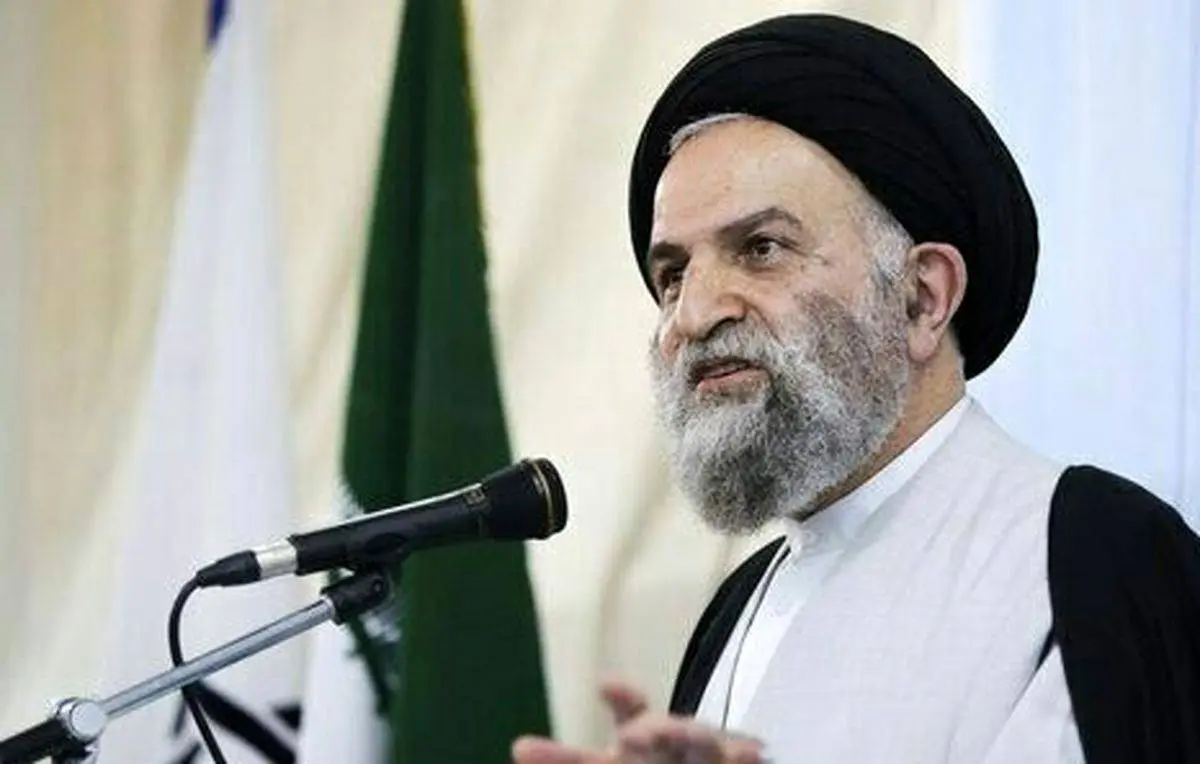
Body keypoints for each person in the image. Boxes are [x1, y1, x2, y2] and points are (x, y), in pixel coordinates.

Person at [513, 14, 1200, 764]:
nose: (694, 314)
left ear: (923, 298)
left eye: (761, 248)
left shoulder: (1088, 556)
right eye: (673, 274)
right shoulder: (738, 608)